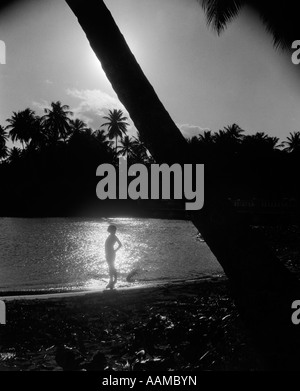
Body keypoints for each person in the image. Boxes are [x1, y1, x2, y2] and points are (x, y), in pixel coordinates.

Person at [105, 224, 122, 289]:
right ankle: (112, 281)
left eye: (109, 228)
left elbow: (120, 244)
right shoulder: (111, 236)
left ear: (112, 230)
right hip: (108, 253)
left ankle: (113, 281)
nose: (108, 229)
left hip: (111, 253)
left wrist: (115, 251)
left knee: (111, 267)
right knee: (111, 267)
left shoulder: (113, 236)